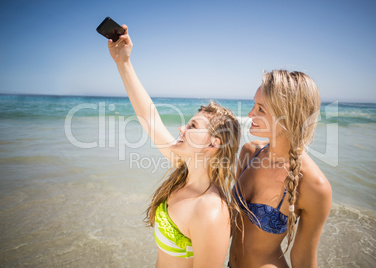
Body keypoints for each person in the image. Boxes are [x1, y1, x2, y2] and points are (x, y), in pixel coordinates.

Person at [107, 25, 241, 268]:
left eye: (192, 126)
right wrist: (123, 62)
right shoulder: (183, 172)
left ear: (214, 143)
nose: (181, 129)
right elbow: (148, 117)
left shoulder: (210, 211)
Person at [229, 70, 332, 268]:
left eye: (260, 109)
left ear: (287, 116)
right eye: (254, 105)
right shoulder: (250, 153)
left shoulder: (315, 185)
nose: (250, 114)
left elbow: (303, 258)